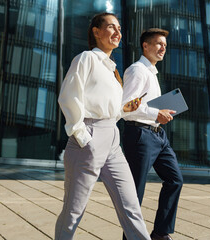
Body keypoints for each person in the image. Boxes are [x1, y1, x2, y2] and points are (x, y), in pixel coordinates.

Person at [55, 13, 151, 240]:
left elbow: (107, 107)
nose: (117, 32)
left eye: (119, 28)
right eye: (111, 27)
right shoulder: (86, 58)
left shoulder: (112, 69)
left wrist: (124, 109)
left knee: (131, 206)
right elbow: (68, 97)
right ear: (96, 32)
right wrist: (82, 136)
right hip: (89, 136)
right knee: (73, 211)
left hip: (112, 138)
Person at [122, 28, 183, 240]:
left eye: (165, 45)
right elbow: (125, 107)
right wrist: (157, 112)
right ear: (145, 46)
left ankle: (160, 233)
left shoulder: (152, 73)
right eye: (158, 44)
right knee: (135, 193)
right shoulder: (137, 70)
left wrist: (160, 113)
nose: (163, 48)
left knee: (175, 180)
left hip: (158, 135)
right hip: (140, 135)